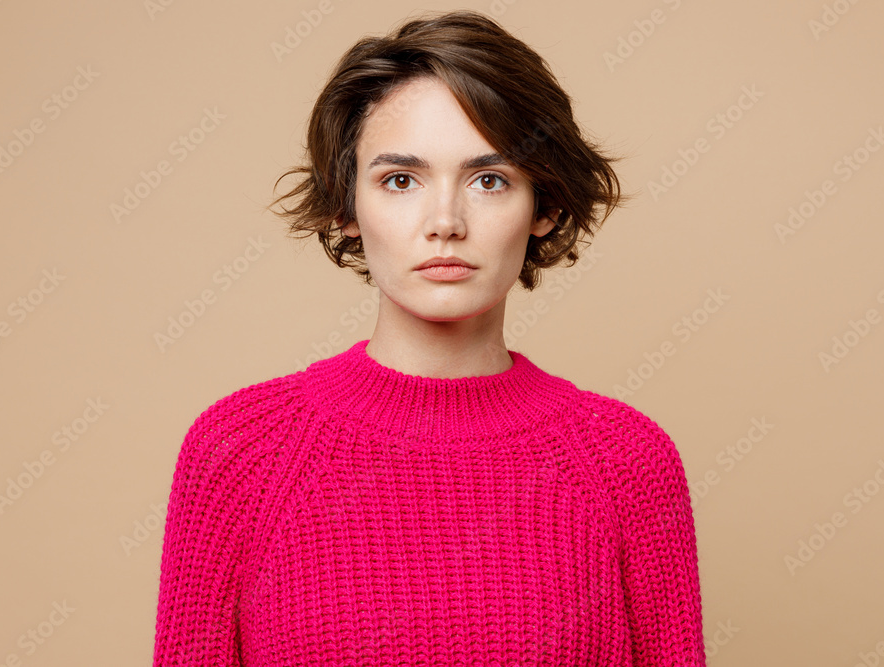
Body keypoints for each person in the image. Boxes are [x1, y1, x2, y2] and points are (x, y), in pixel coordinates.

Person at [153, 9, 706, 665]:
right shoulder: (239, 451)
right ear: (345, 206)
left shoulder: (628, 462)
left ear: (546, 206)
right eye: (400, 180)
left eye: (489, 179)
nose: (445, 221)